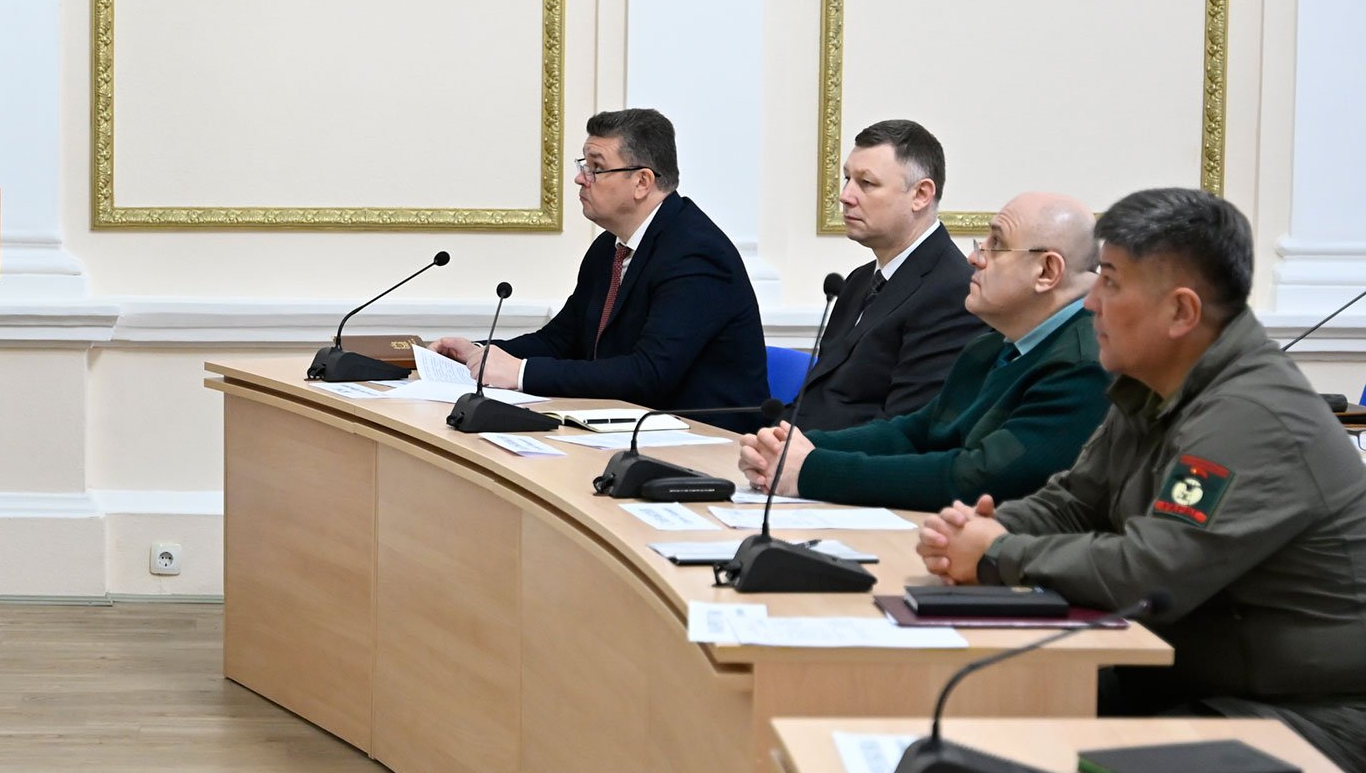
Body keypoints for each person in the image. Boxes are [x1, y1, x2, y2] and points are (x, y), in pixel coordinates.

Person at [917, 188, 1366, 773]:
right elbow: (1075, 502)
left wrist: (999, 552)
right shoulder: (1154, 383)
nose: (1090, 302)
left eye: (1110, 283)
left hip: (1309, 717)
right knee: (974, 720)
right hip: (1183, 682)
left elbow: (1153, 572)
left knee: (1028, 754)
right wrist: (981, 529)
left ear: (1181, 312)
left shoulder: (1252, 415)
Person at [738, 192, 1109, 511]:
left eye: (995, 244)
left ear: (1047, 271)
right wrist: (795, 446)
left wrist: (811, 470)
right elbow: (914, 432)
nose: (974, 258)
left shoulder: (1084, 365)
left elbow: (977, 478)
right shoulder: (991, 345)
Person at [431, 109, 767, 415]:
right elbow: (561, 340)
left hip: (707, 443)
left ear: (642, 182)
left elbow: (649, 373)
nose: (581, 179)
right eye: (584, 166)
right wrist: (477, 354)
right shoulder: (609, 247)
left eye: (597, 168)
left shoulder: (695, 253)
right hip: (629, 427)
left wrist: (520, 373)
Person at [789, 119, 984, 432]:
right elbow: (818, 399)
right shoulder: (858, 280)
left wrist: (803, 453)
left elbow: (904, 427)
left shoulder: (954, 292)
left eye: (866, 183)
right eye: (847, 179)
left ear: (920, 194)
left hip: (842, 458)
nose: (845, 196)